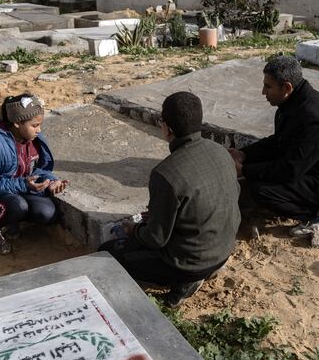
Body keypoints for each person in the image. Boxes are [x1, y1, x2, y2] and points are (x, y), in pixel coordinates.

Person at [99, 92, 240, 308]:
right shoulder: (221, 152)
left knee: (108, 252)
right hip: (224, 249)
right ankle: (197, 273)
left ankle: (184, 282)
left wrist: (133, 230)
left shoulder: (165, 174)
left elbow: (155, 239)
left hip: (191, 262)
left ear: (167, 128)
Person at [228, 55, 319, 236]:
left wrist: (244, 170)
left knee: (262, 191)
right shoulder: (293, 104)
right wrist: (243, 154)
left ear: (287, 87)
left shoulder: (315, 119)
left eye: (268, 86)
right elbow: (279, 142)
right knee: (259, 176)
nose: (263, 92)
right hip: (311, 167)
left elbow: (290, 169)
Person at [0, 94, 68, 254]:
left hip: (20, 189)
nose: (39, 130)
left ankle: (12, 220)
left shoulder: (31, 136)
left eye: (40, 124)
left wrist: (51, 180)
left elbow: (39, 168)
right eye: (35, 125)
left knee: (47, 213)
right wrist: (22, 184)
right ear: (16, 123)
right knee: (17, 206)